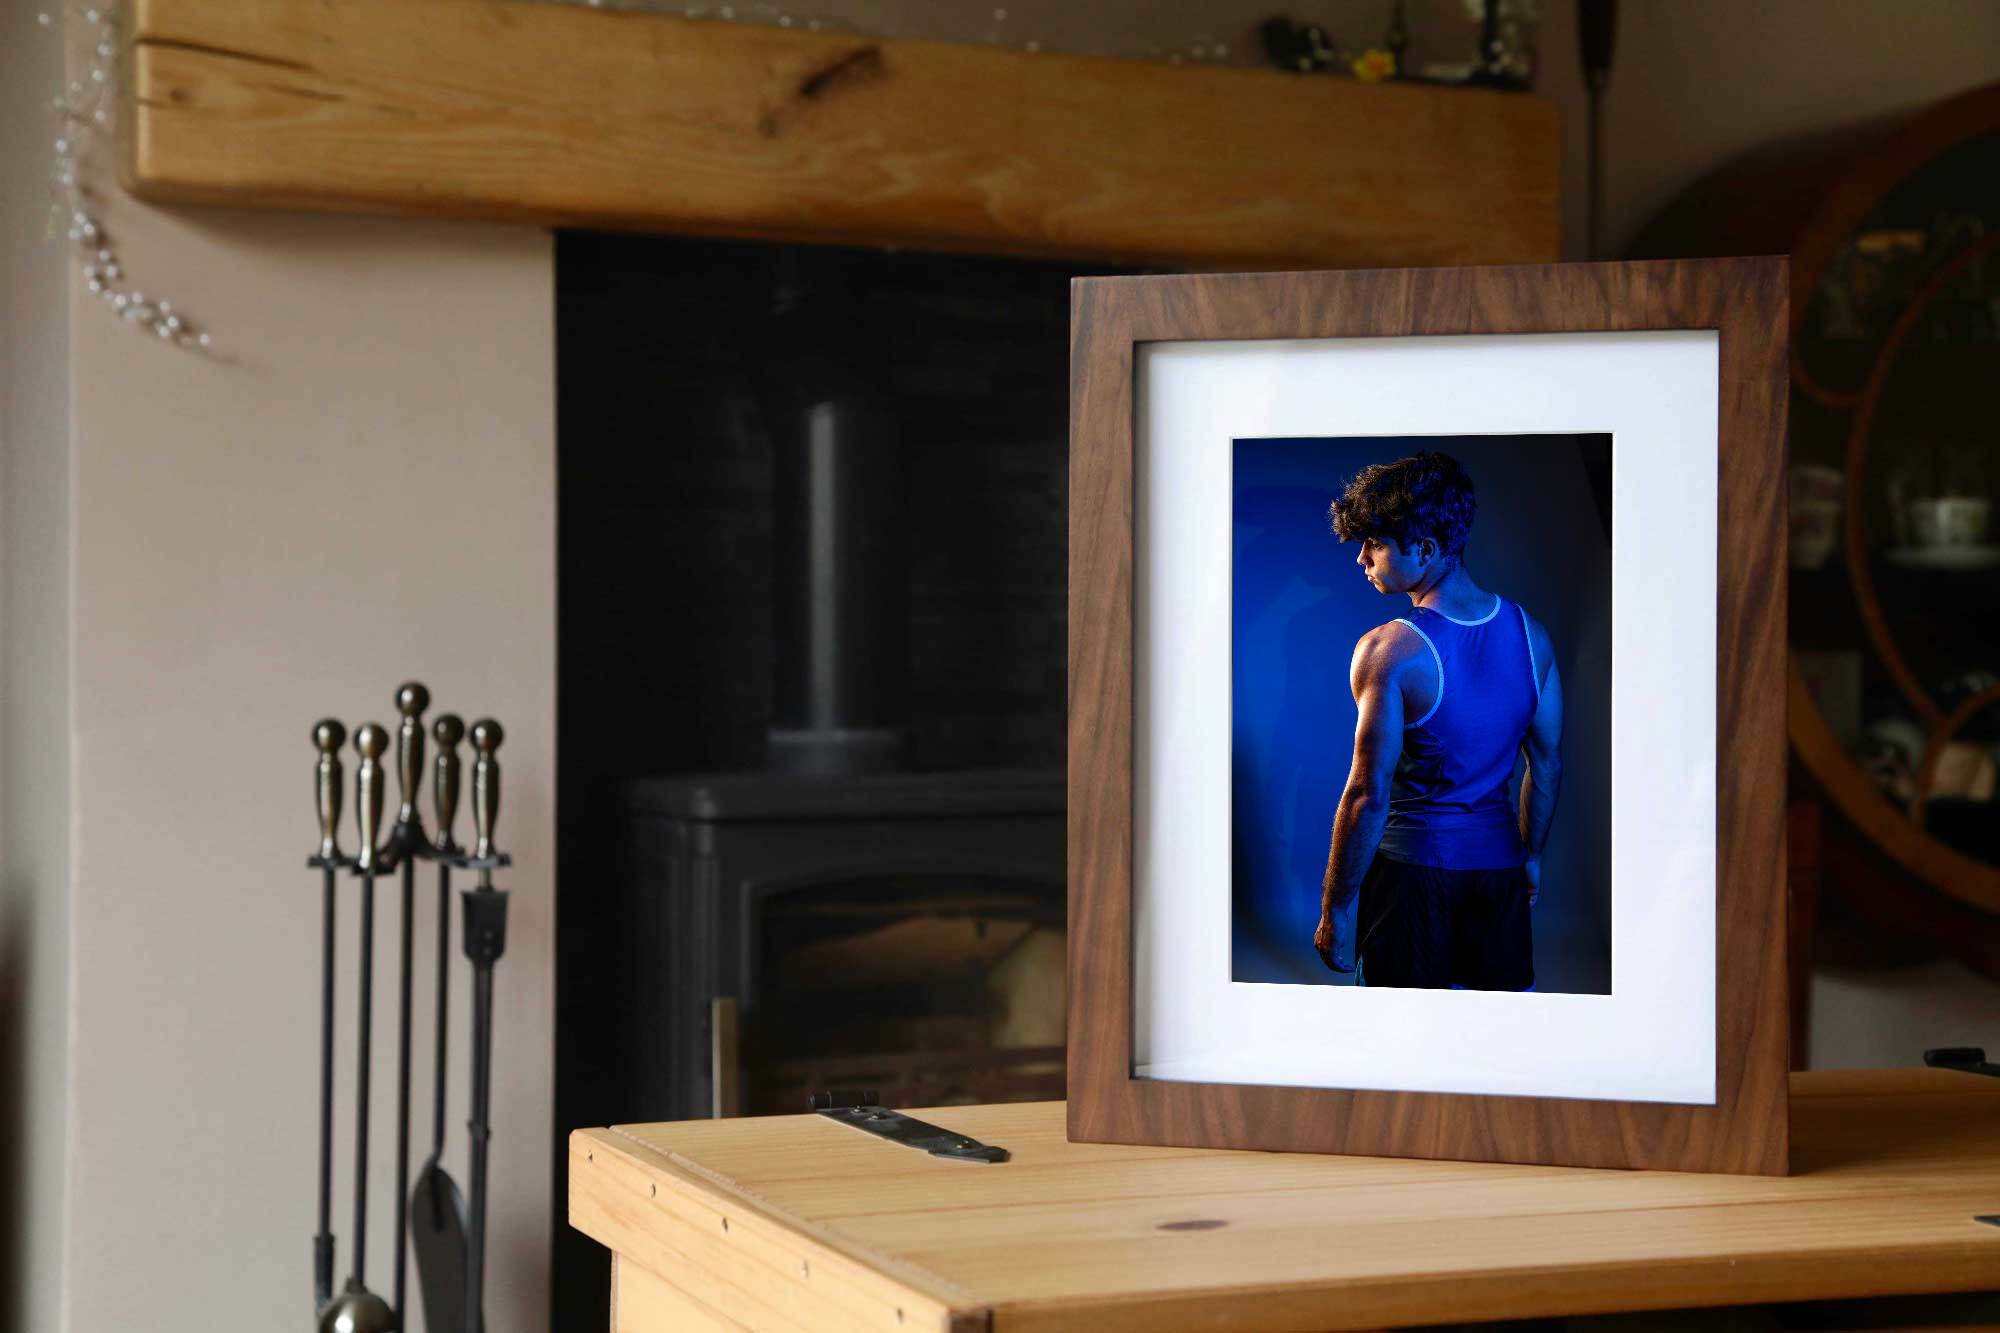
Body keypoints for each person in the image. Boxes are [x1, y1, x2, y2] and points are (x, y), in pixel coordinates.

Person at [1311, 452, 1562, 989]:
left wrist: (1337, 906)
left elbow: (1366, 794)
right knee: (1497, 1046)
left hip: (1412, 877)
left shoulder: (1390, 651)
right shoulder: (1532, 637)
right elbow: (1545, 767)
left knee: (1401, 1051)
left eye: (1375, 544)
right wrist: (1532, 856)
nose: (1362, 560)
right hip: (1499, 871)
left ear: (1425, 549)